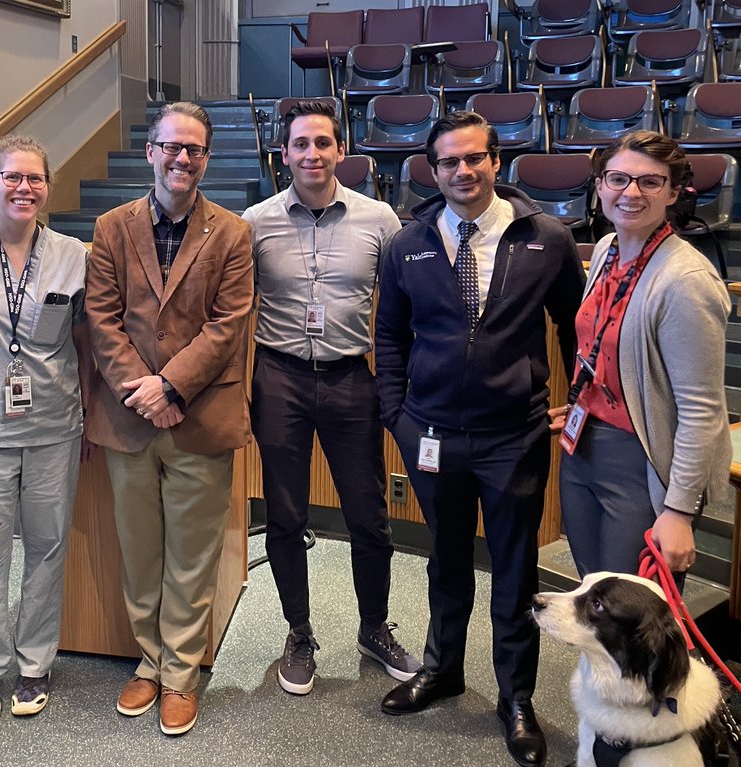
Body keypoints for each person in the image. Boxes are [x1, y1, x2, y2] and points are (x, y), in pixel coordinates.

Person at [374, 111, 584, 767]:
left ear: (496, 160)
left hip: (512, 435)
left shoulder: (546, 238)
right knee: (446, 560)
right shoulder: (406, 243)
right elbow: (390, 337)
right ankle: (443, 669)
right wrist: (397, 416)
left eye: (475, 159)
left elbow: (578, 328)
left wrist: (578, 400)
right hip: (431, 433)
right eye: (448, 163)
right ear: (432, 171)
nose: (462, 172)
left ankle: (516, 696)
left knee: (515, 570)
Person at [86, 102, 254, 736]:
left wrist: (171, 386)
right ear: (151, 151)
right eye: (171, 146)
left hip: (200, 415)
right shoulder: (111, 226)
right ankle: (148, 662)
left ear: (205, 158)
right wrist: (142, 390)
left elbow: (228, 325)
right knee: (140, 548)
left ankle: (181, 673)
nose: (182, 158)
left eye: (195, 149)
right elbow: (101, 319)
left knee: (191, 553)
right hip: (129, 418)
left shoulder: (233, 233)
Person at [241, 100, 412, 696]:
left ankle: (373, 626)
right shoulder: (255, 222)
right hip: (279, 378)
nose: (312, 154)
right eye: (300, 144)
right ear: (283, 154)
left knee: (369, 514)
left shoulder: (380, 219)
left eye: (323, 143)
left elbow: (400, 308)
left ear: (341, 149)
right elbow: (235, 311)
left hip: (348, 377)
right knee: (285, 515)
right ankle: (299, 632)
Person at [0, 136, 91, 724]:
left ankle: (35, 661)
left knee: (48, 545)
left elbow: (86, 336)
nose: (23, 188)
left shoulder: (72, 254)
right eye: (11, 177)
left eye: (34, 178)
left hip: (55, 423)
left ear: (47, 187)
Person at [558, 131, 731, 577]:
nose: (631, 193)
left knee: (629, 608)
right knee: (593, 591)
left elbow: (703, 410)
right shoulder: (605, 250)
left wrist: (678, 510)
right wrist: (587, 400)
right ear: (599, 186)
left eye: (650, 183)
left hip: (643, 459)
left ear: (673, 192)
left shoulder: (685, 279)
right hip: (584, 443)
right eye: (618, 179)